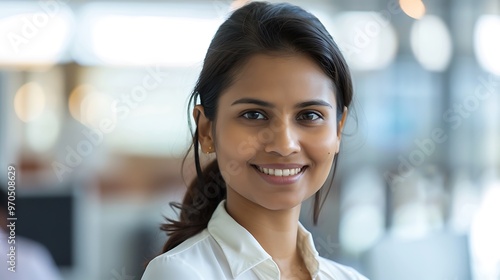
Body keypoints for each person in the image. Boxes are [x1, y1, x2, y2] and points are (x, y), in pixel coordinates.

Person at [142, 2, 368, 279]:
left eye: (309, 115)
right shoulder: (181, 273)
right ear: (206, 130)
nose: (285, 145)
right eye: (254, 114)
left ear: (337, 130)